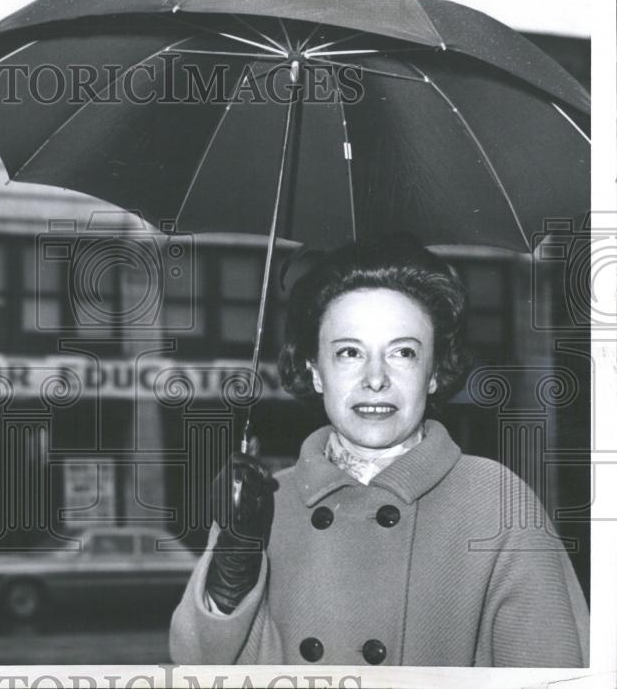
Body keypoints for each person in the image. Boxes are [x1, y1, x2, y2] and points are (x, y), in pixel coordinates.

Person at [169, 236, 589, 667]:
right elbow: (198, 666)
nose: (375, 378)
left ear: (434, 373)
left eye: (403, 353)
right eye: (349, 352)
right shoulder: (260, 505)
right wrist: (230, 575)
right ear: (315, 372)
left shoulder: (497, 502)